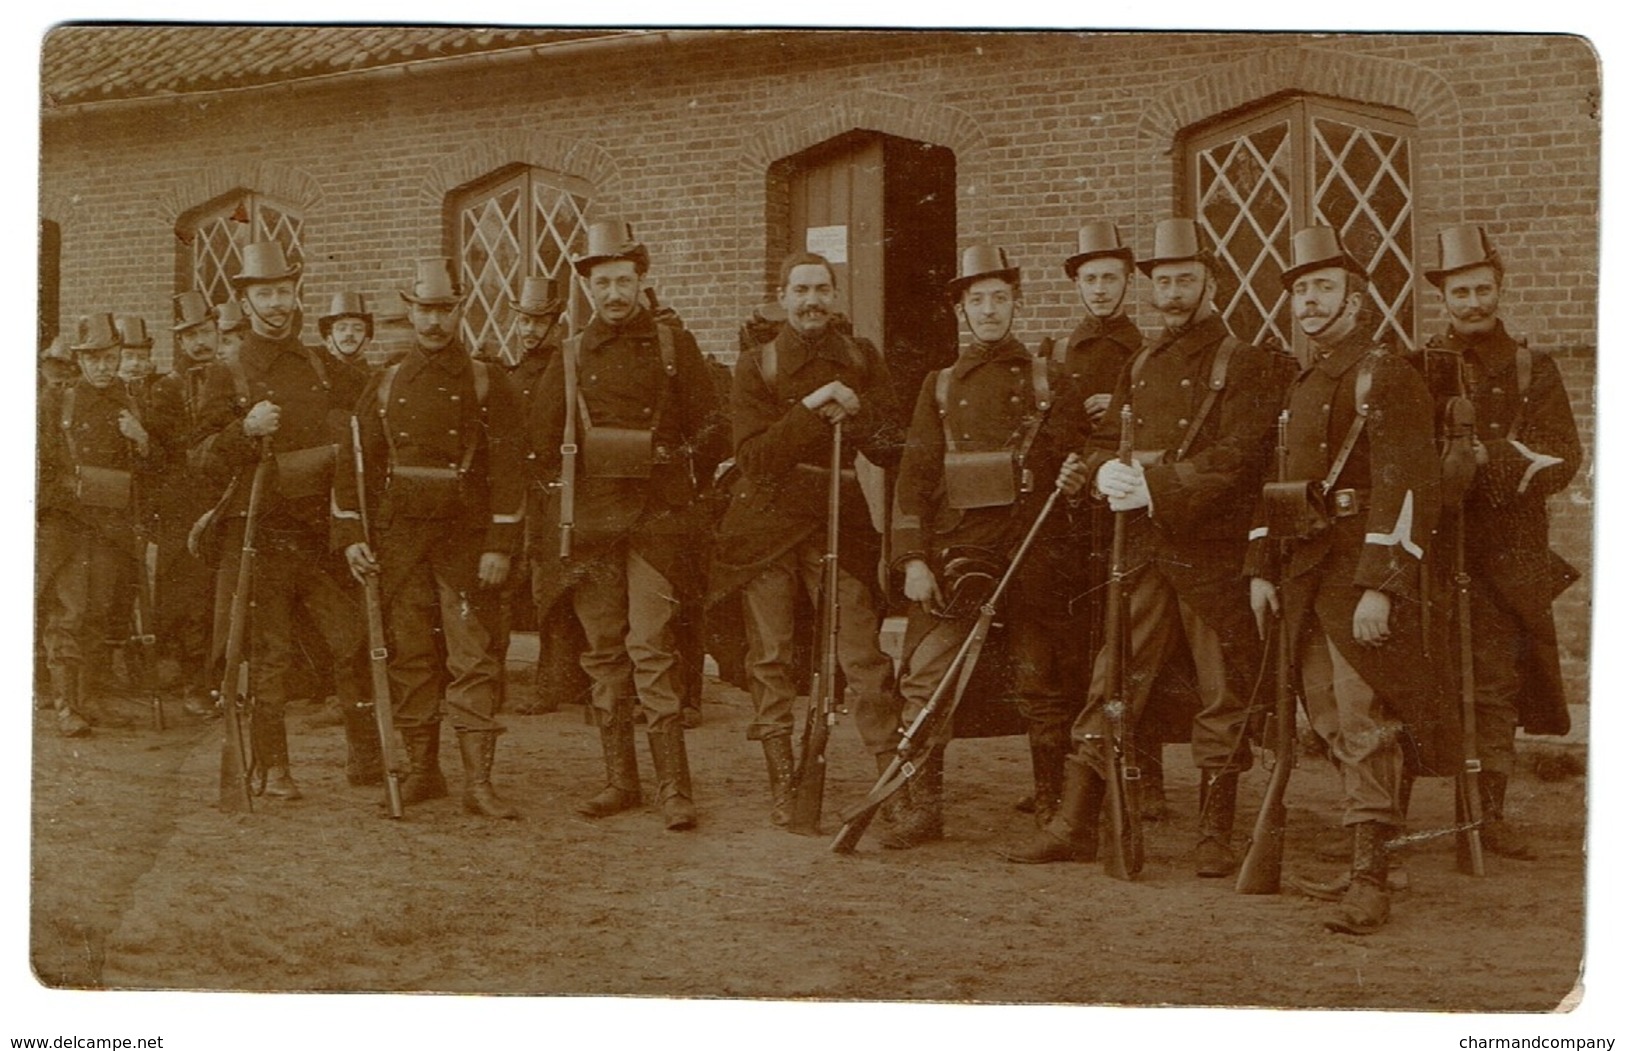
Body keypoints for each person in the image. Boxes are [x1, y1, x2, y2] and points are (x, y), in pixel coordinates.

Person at [1001, 218, 1287, 877]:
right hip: (1142, 550)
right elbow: (1105, 439)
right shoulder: (1144, 361)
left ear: (1209, 282)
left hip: (1210, 555)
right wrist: (1103, 471)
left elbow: (1240, 459)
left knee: (1222, 689)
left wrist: (1153, 484)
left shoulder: (1244, 360)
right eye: (1162, 280)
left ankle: (1215, 832)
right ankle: (1075, 819)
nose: (1174, 291)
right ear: (1148, 286)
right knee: (1112, 676)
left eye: (1185, 278)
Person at [1246, 226, 1454, 933]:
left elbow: (1408, 485)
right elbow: (1275, 483)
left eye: (1322, 288)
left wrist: (1379, 585)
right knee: (1328, 719)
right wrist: (1260, 567)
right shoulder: (1303, 381)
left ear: (1355, 299)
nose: (1309, 302)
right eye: (1300, 291)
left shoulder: (1383, 373)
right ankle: (1378, 854)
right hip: (1303, 574)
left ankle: (1370, 878)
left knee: (1362, 719)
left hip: (1352, 577)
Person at [888, 245, 1092, 848]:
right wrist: (914, 559)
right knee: (927, 680)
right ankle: (924, 810)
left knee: (1042, 685)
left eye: (999, 298)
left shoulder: (1048, 380)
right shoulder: (941, 385)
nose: (989, 310)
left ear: (1015, 304)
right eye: (976, 300)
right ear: (960, 311)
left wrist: (1078, 477)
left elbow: (1080, 463)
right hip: (957, 560)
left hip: (1032, 557)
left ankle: (1054, 813)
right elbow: (914, 479)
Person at [529, 220, 728, 831]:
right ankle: (621, 781)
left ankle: (674, 787)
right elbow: (538, 449)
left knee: (651, 648)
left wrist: (672, 456)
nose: (614, 292)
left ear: (643, 281)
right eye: (602, 282)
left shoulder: (674, 348)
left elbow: (716, 425)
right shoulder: (567, 357)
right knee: (605, 654)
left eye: (624, 280)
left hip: (658, 523)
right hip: (591, 528)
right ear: (587, 288)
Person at [708, 251, 904, 827]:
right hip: (766, 527)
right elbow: (755, 458)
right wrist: (815, 408)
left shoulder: (862, 359)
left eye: (821, 288)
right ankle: (784, 781)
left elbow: (890, 448)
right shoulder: (757, 364)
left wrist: (859, 410)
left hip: (840, 520)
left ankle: (890, 784)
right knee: (769, 656)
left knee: (862, 654)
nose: (811, 300)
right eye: (800, 290)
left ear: (835, 295)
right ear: (783, 296)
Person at [1411, 225, 1582, 860]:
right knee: (1430, 677)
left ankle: (1488, 816)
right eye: (1461, 291)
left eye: (1483, 288)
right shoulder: (1423, 365)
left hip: (1507, 553)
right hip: (1438, 546)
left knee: (1496, 686)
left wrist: (1496, 459)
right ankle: (1411, 810)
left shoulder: (1533, 369)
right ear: (1444, 296)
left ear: (1499, 289)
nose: (1474, 302)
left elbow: (1567, 459)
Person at [336, 257, 528, 819]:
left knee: (473, 658)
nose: (435, 321)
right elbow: (357, 464)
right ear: (410, 312)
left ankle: (479, 782)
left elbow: (511, 468)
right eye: (425, 309)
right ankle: (423, 770)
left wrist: (500, 543)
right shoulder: (387, 380)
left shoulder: (488, 380)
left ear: (458, 310)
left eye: (445, 309)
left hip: (467, 543)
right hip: (399, 544)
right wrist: (351, 533)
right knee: (411, 658)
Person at [193, 242, 372, 801]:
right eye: (263, 294)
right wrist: (241, 431)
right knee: (269, 655)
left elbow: (358, 429)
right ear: (245, 303)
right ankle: (274, 769)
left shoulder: (318, 363)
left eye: (283, 291)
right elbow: (198, 457)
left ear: (296, 295)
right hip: (262, 534)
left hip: (319, 530)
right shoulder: (228, 373)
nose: (276, 303)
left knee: (354, 641)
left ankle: (367, 760)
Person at [36, 313, 160, 735]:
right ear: (80, 361)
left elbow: (151, 472)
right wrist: (73, 490)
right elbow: (40, 467)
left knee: (100, 615)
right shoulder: (57, 402)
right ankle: (66, 704)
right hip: (69, 526)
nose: (104, 367)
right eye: (95, 359)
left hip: (112, 529)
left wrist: (142, 440)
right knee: (68, 613)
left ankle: (89, 700)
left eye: (110, 358)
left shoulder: (131, 402)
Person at [147, 292, 222, 718]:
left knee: (223, 594)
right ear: (180, 341)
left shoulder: (231, 377)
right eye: (191, 335)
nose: (200, 342)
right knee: (192, 599)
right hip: (183, 506)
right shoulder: (167, 390)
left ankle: (222, 680)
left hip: (222, 501)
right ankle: (195, 684)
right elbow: (165, 452)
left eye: (205, 332)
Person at [318, 291, 376, 382]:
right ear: (329, 341)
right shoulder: (318, 380)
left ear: (367, 342)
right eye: (341, 328)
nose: (349, 333)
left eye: (358, 329)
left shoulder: (377, 381)